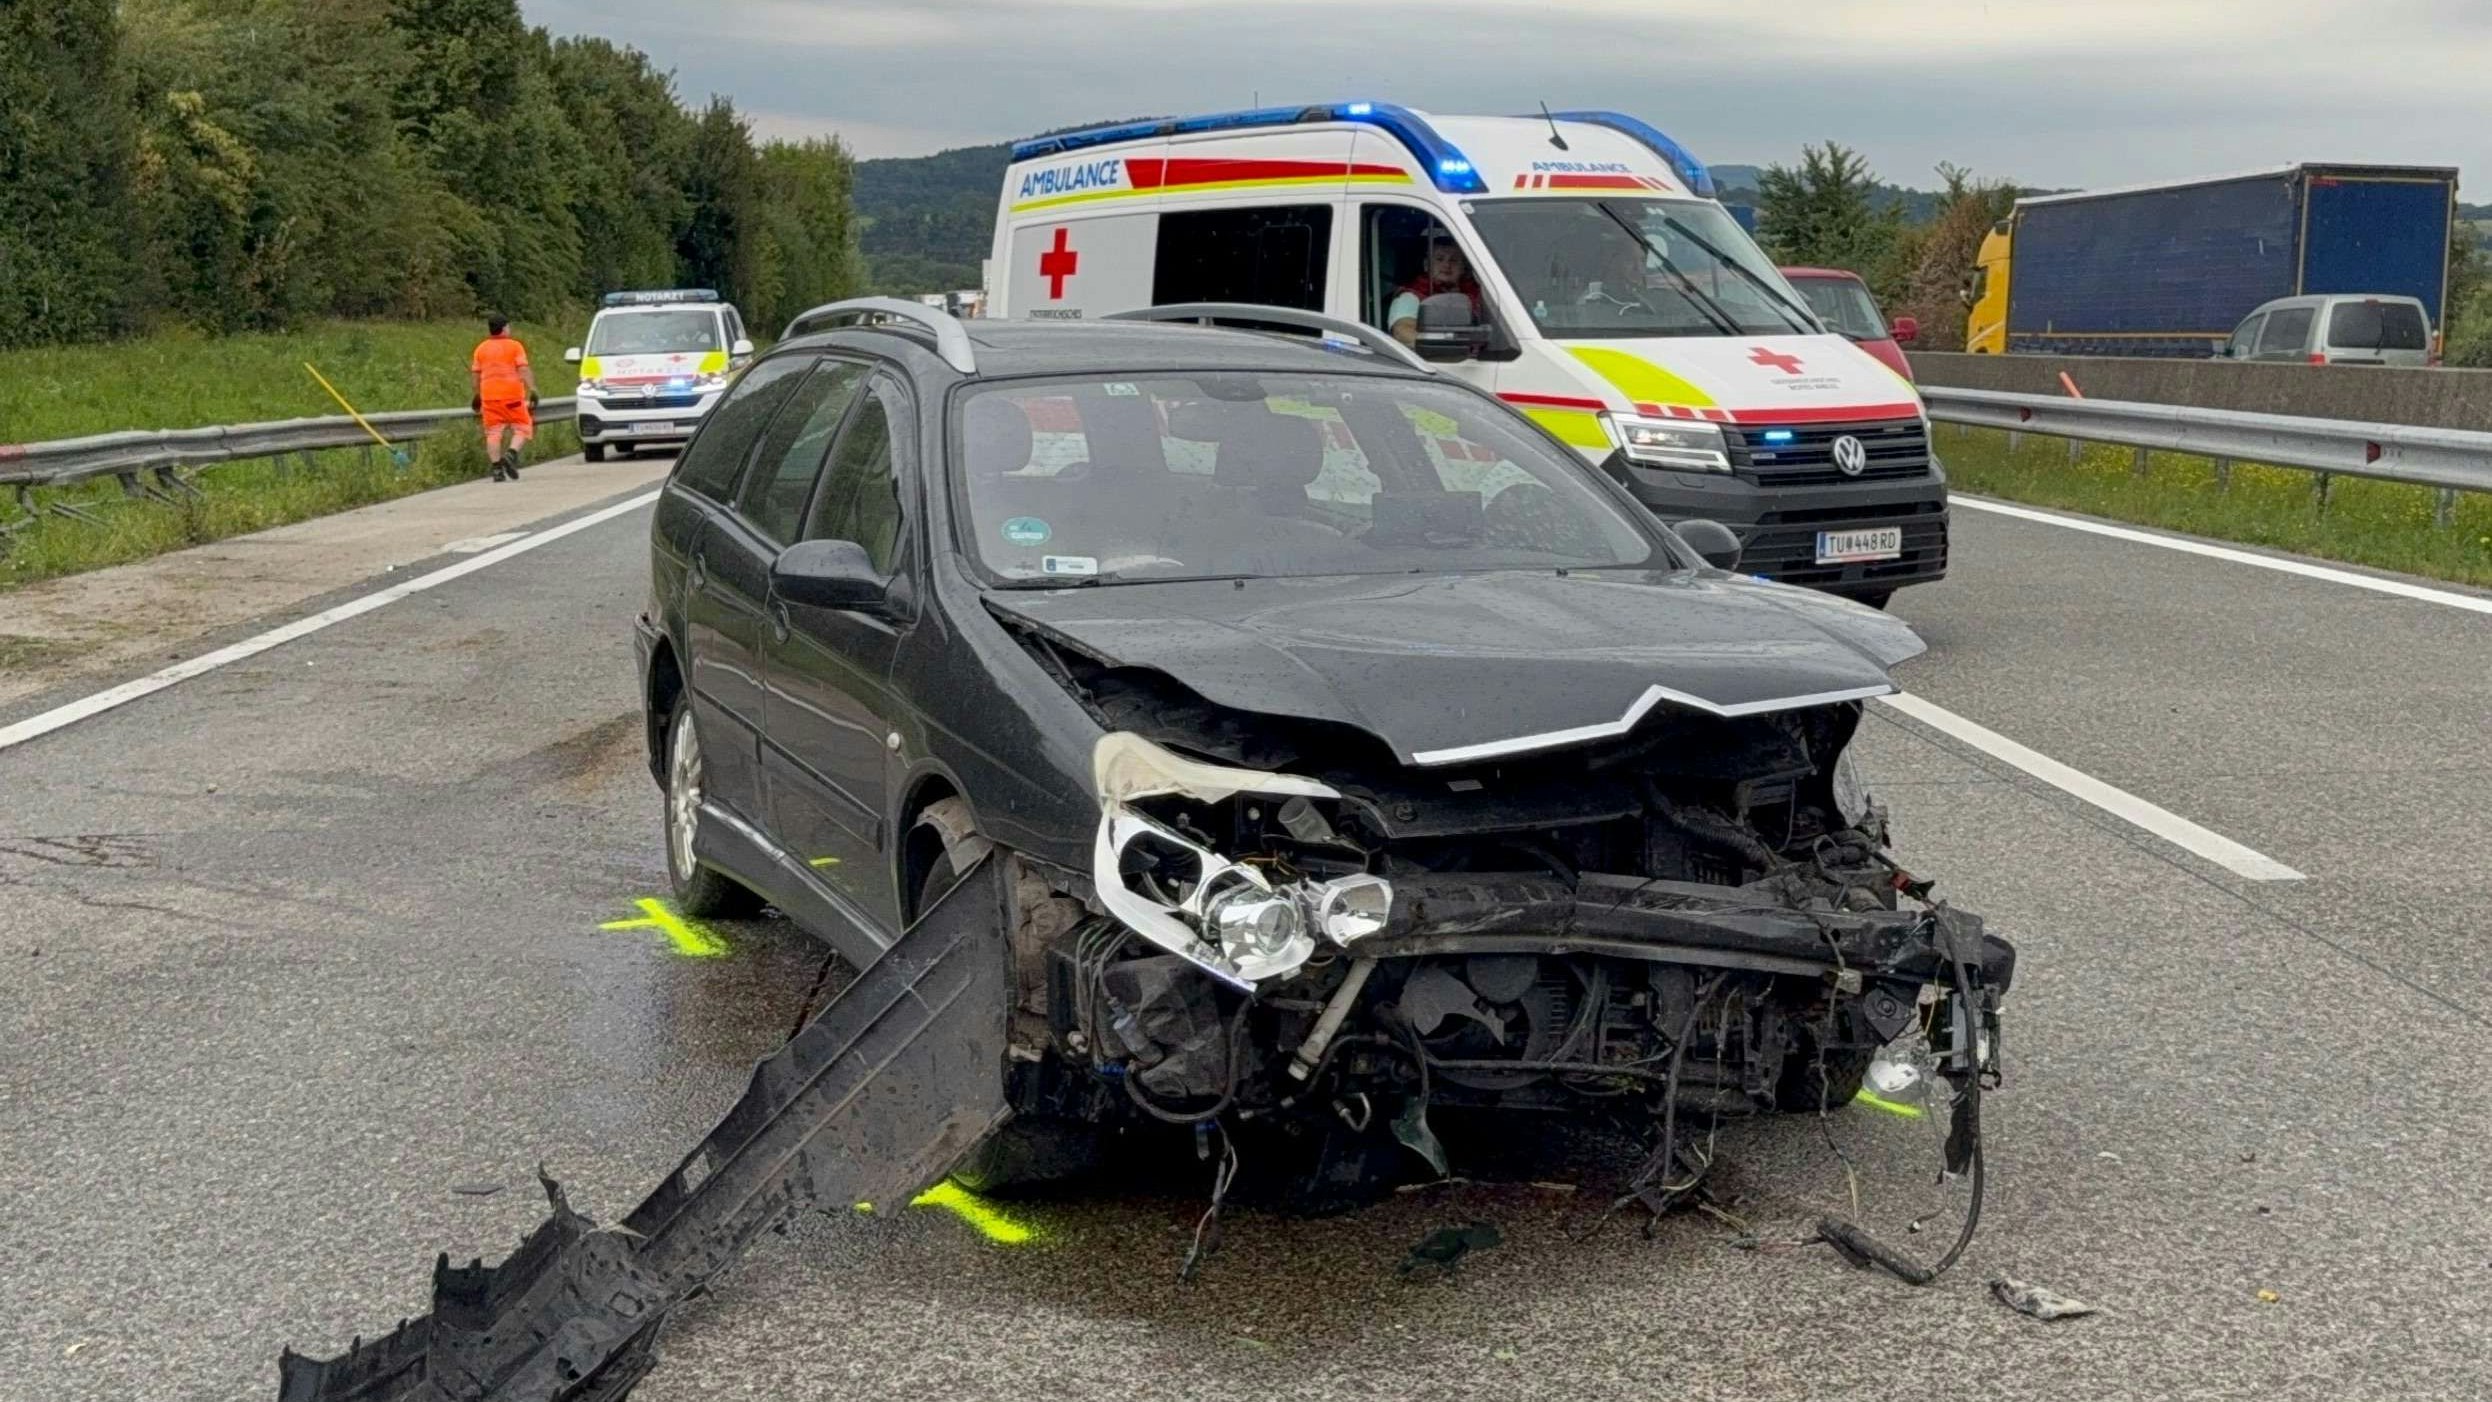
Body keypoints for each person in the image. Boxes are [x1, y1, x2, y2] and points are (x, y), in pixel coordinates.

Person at [470, 315, 540, 482]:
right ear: (504, 328)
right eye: (508, 327)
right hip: (512, 396)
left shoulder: (481, 348)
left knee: (493, 433)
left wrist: (477, 394)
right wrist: (533, 389)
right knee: (522, 427)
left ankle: (497, 470)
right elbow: (523, 369)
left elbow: (475, 374)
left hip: (489, 397)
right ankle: (511, 453)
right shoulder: (515, 346)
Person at [1387, 233, 1485, 346]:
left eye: (1453, 260)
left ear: (1463, 267)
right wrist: (1445, 348)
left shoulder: (1481, 295)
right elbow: (1403, 332)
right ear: (1426, 265)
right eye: (1439, 259)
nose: (1447, 265)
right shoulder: (1410, 297)